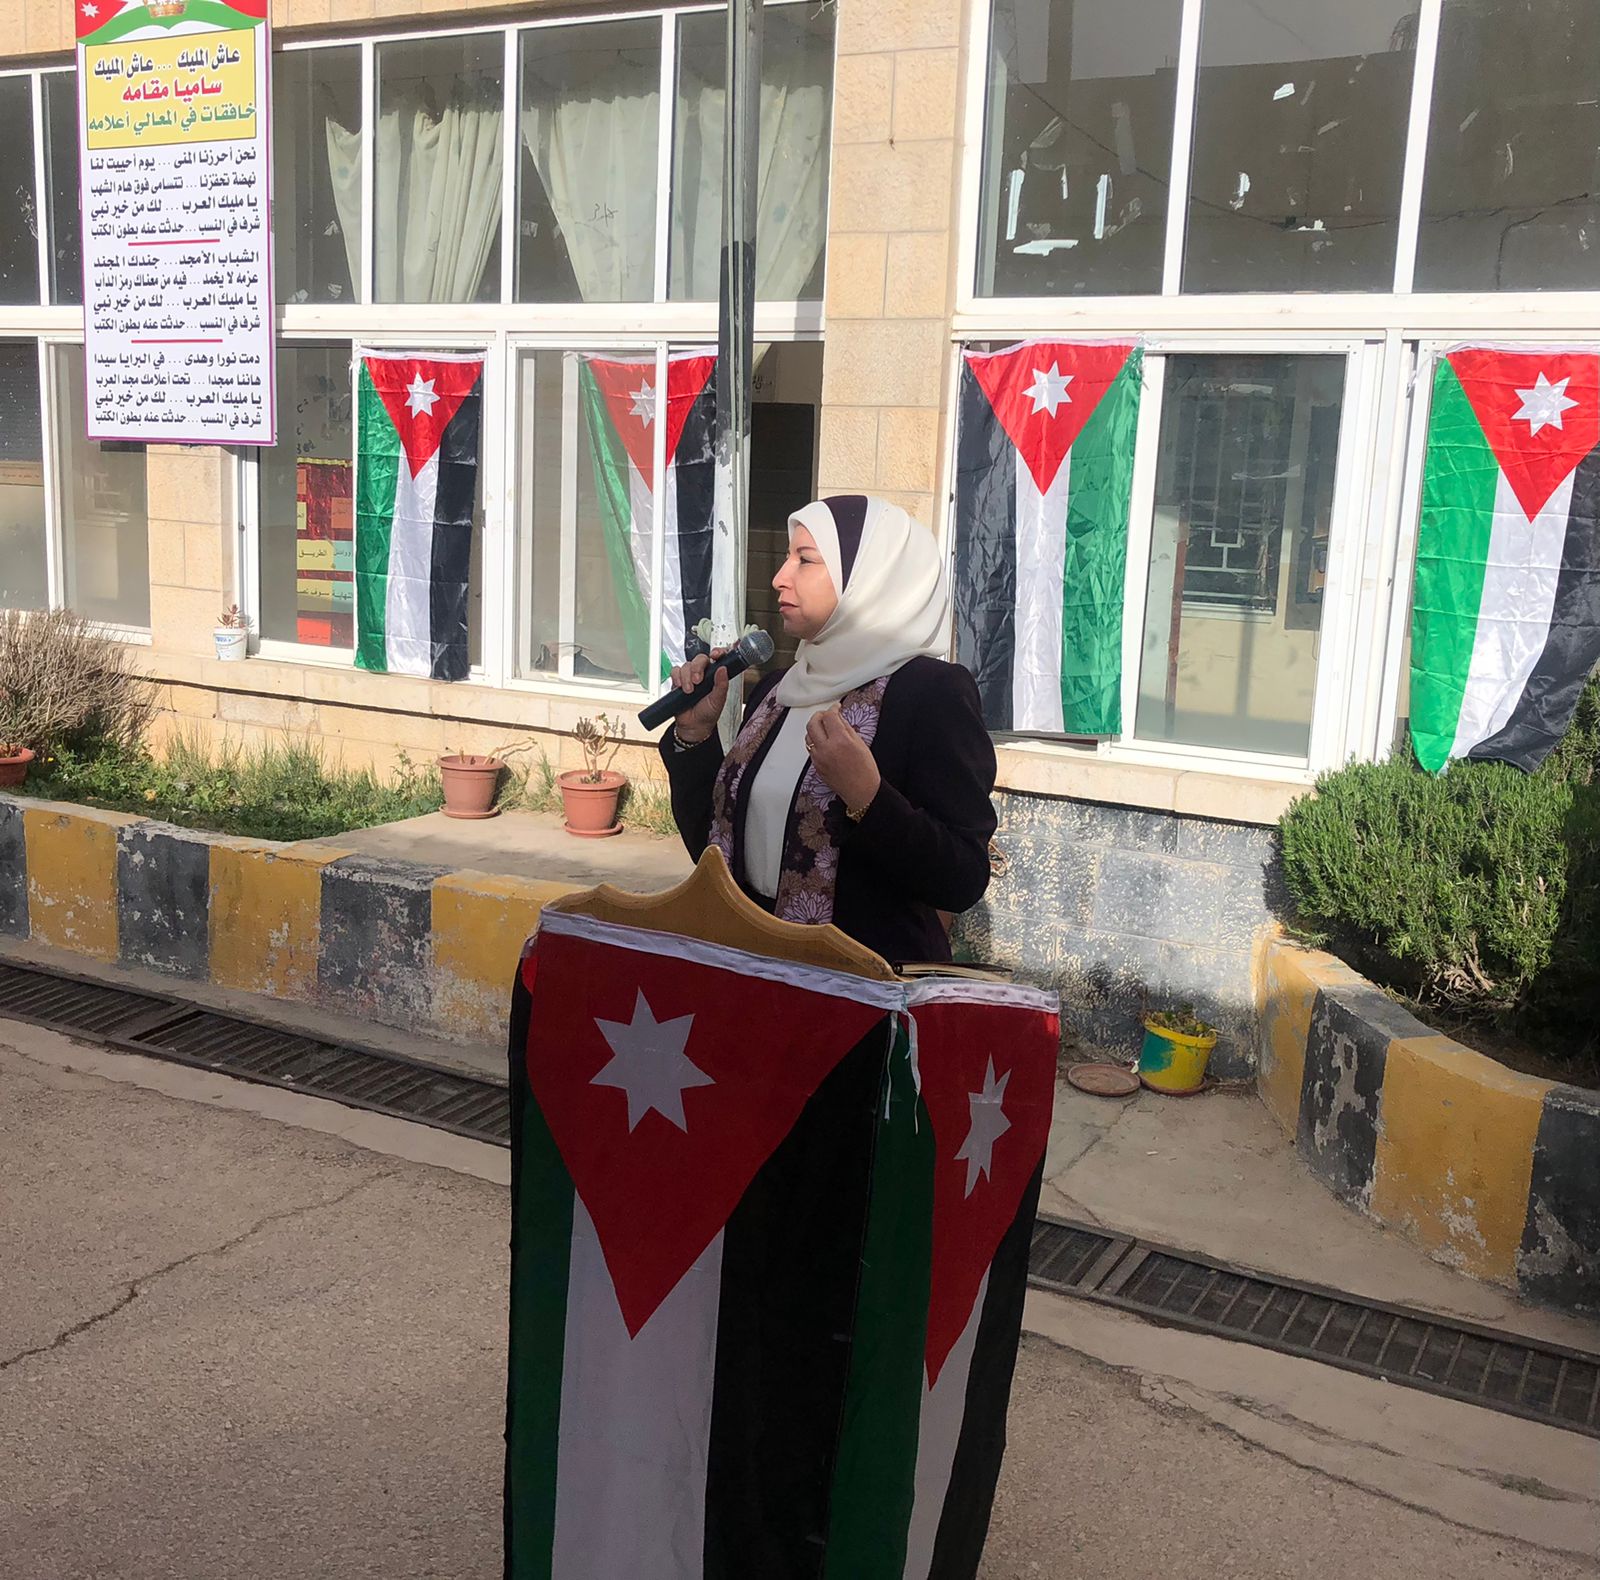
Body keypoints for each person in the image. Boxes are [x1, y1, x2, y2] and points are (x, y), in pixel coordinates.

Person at [659, 494, 997, 966]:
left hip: (860, 988)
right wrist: (694, 737)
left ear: (869, 579)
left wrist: (868, 798)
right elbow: (716, 854)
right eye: (787, 557)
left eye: (805, 560)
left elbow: (962, 878)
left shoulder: (930, 693)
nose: (779, 577)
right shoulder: (778, 691)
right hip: (753, 970)